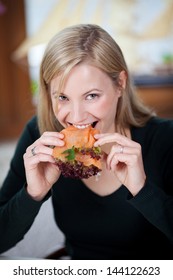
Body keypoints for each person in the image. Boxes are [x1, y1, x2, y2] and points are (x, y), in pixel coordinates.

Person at [0, 24, 173, 260]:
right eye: (63, 97)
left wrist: (144, 191)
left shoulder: (165, 138)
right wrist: (32, 194)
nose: (76, 116)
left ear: (120, 83)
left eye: (91, 96)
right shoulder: (41, 136)